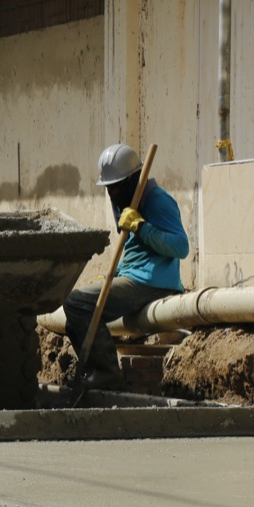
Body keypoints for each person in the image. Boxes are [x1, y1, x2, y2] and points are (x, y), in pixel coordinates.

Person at [63, 144, 190, 389]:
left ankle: (107, 374)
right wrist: (115, 274)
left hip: (153, 282)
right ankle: (94, 375)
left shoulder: (157, 200)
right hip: (133, 277)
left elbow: (180, 247)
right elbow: (133, 247)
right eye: (108, 188)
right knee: (75, 320)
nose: (112, 193)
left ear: (133, 179)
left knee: (76, 302)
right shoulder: (126, 200)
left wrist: (143, 227)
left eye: (117, 186)